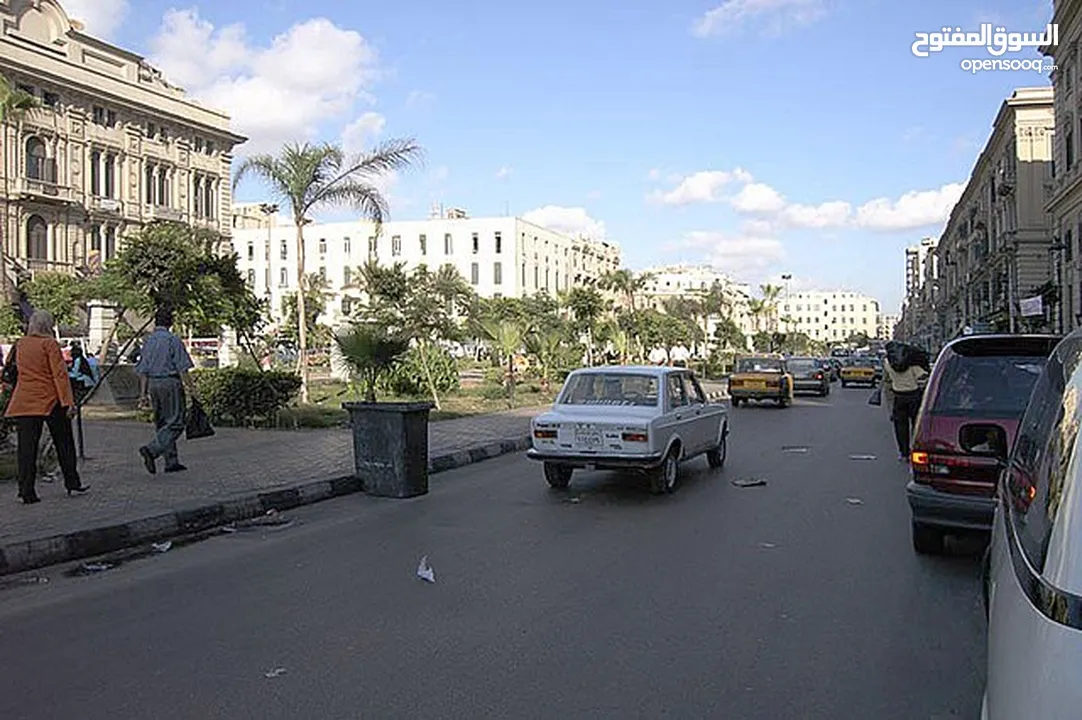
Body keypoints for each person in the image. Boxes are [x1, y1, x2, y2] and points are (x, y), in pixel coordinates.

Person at [4, 310, 89, 503]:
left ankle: (26, 491)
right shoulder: (49, 344)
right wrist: (68, 402)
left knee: (26, 449)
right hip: (51, 399)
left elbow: (11, 368)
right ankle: (72, 483)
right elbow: (60, 375)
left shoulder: (20, 344)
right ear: (48, 325)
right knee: (64, 442)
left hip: (24, 400)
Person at [135, 307, 198, 475]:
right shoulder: (172, 340)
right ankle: (152, 449)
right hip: (170, 382)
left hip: (153, 384)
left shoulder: (148, 341)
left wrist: (143, 394)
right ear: (170, 322)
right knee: (176, 422)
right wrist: (191, 389)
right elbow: (182, 368)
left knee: (162, 422)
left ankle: (171, 461)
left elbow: (143, 370)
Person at [883, 341, 931, 462]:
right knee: (916, 425)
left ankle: (903, 453)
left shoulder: (887, 363)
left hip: (898, 397)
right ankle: (916, 449)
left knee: (900, 427)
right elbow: (923, 377)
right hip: (914, 396)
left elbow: (887, 379)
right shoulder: (912, 365)